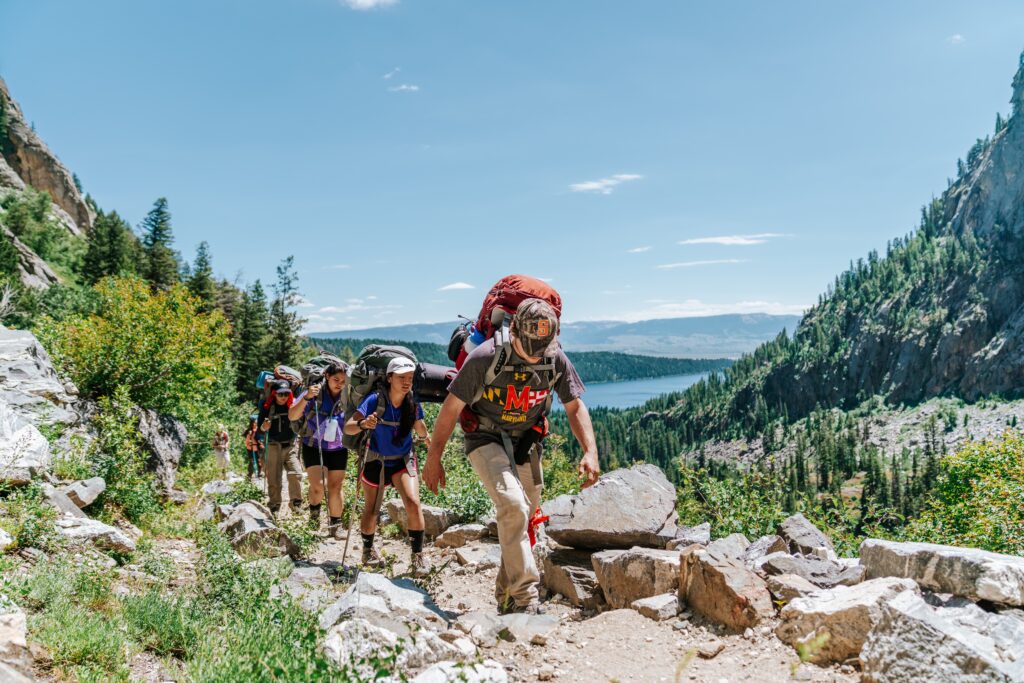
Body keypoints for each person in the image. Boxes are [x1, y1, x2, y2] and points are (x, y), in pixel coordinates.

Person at [424, 298, 600, 614]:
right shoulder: (484, 358)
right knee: (512, 505)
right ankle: (525, 598)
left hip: (527, 441)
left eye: (540, 351)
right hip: (485, 436)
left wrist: (590, 451)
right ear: (513, 331)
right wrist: (433, 458)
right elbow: (451, 409)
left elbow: (574, 406)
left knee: (523, 515)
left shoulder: (554, 357)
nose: (534, 356)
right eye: (528, 349)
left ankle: (506, 595)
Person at [344, 356, 432, 577]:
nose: (406, 382)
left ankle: (417, 556)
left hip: (402, 459)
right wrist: (364, 423)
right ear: (390, 377)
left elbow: (419, 425)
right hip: (376, 460)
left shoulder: (412, 401)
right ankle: (367, 550)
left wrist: (428, 440)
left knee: (413, 503)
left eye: (410, 378)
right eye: (402, 377)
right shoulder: (374, 400)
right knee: (372, 510)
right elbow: (349, 427)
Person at [289, 361, 350, 538]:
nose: (339, 383)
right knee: (318, 486)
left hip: (339, 447)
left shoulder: (348, 396)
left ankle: (335, 526)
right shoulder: (313, 392)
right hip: (313, 445)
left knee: (335, 487)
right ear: (327, 377)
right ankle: (314, 516)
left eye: (343, 381)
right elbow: (292, 414)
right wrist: (307, 397)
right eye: (336, 379)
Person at [258, 380, 304, 515]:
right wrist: (263, 427)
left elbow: (300, 424)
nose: (283, 396)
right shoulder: (267, 408)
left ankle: (295, 503)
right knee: (274, 478)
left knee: (296, 473)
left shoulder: (293, 406)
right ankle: (274, 506)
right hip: (273, 445)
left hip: (290, 445)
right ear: (274, 394)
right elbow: (259, 431)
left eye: (286, 393)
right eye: (280, 394)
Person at [244, 415, 264, 480]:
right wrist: (249, 439)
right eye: (254, 422)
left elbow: (261, 438)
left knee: (259, 461)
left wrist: (260, 443)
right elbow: (246, 440)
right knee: (251, 461)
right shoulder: (249, 431)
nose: (255, 423)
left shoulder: (260, 430)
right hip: (250, 448)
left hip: (258, 448)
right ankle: (249, 475)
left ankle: (259, 474)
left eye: (256, 422)